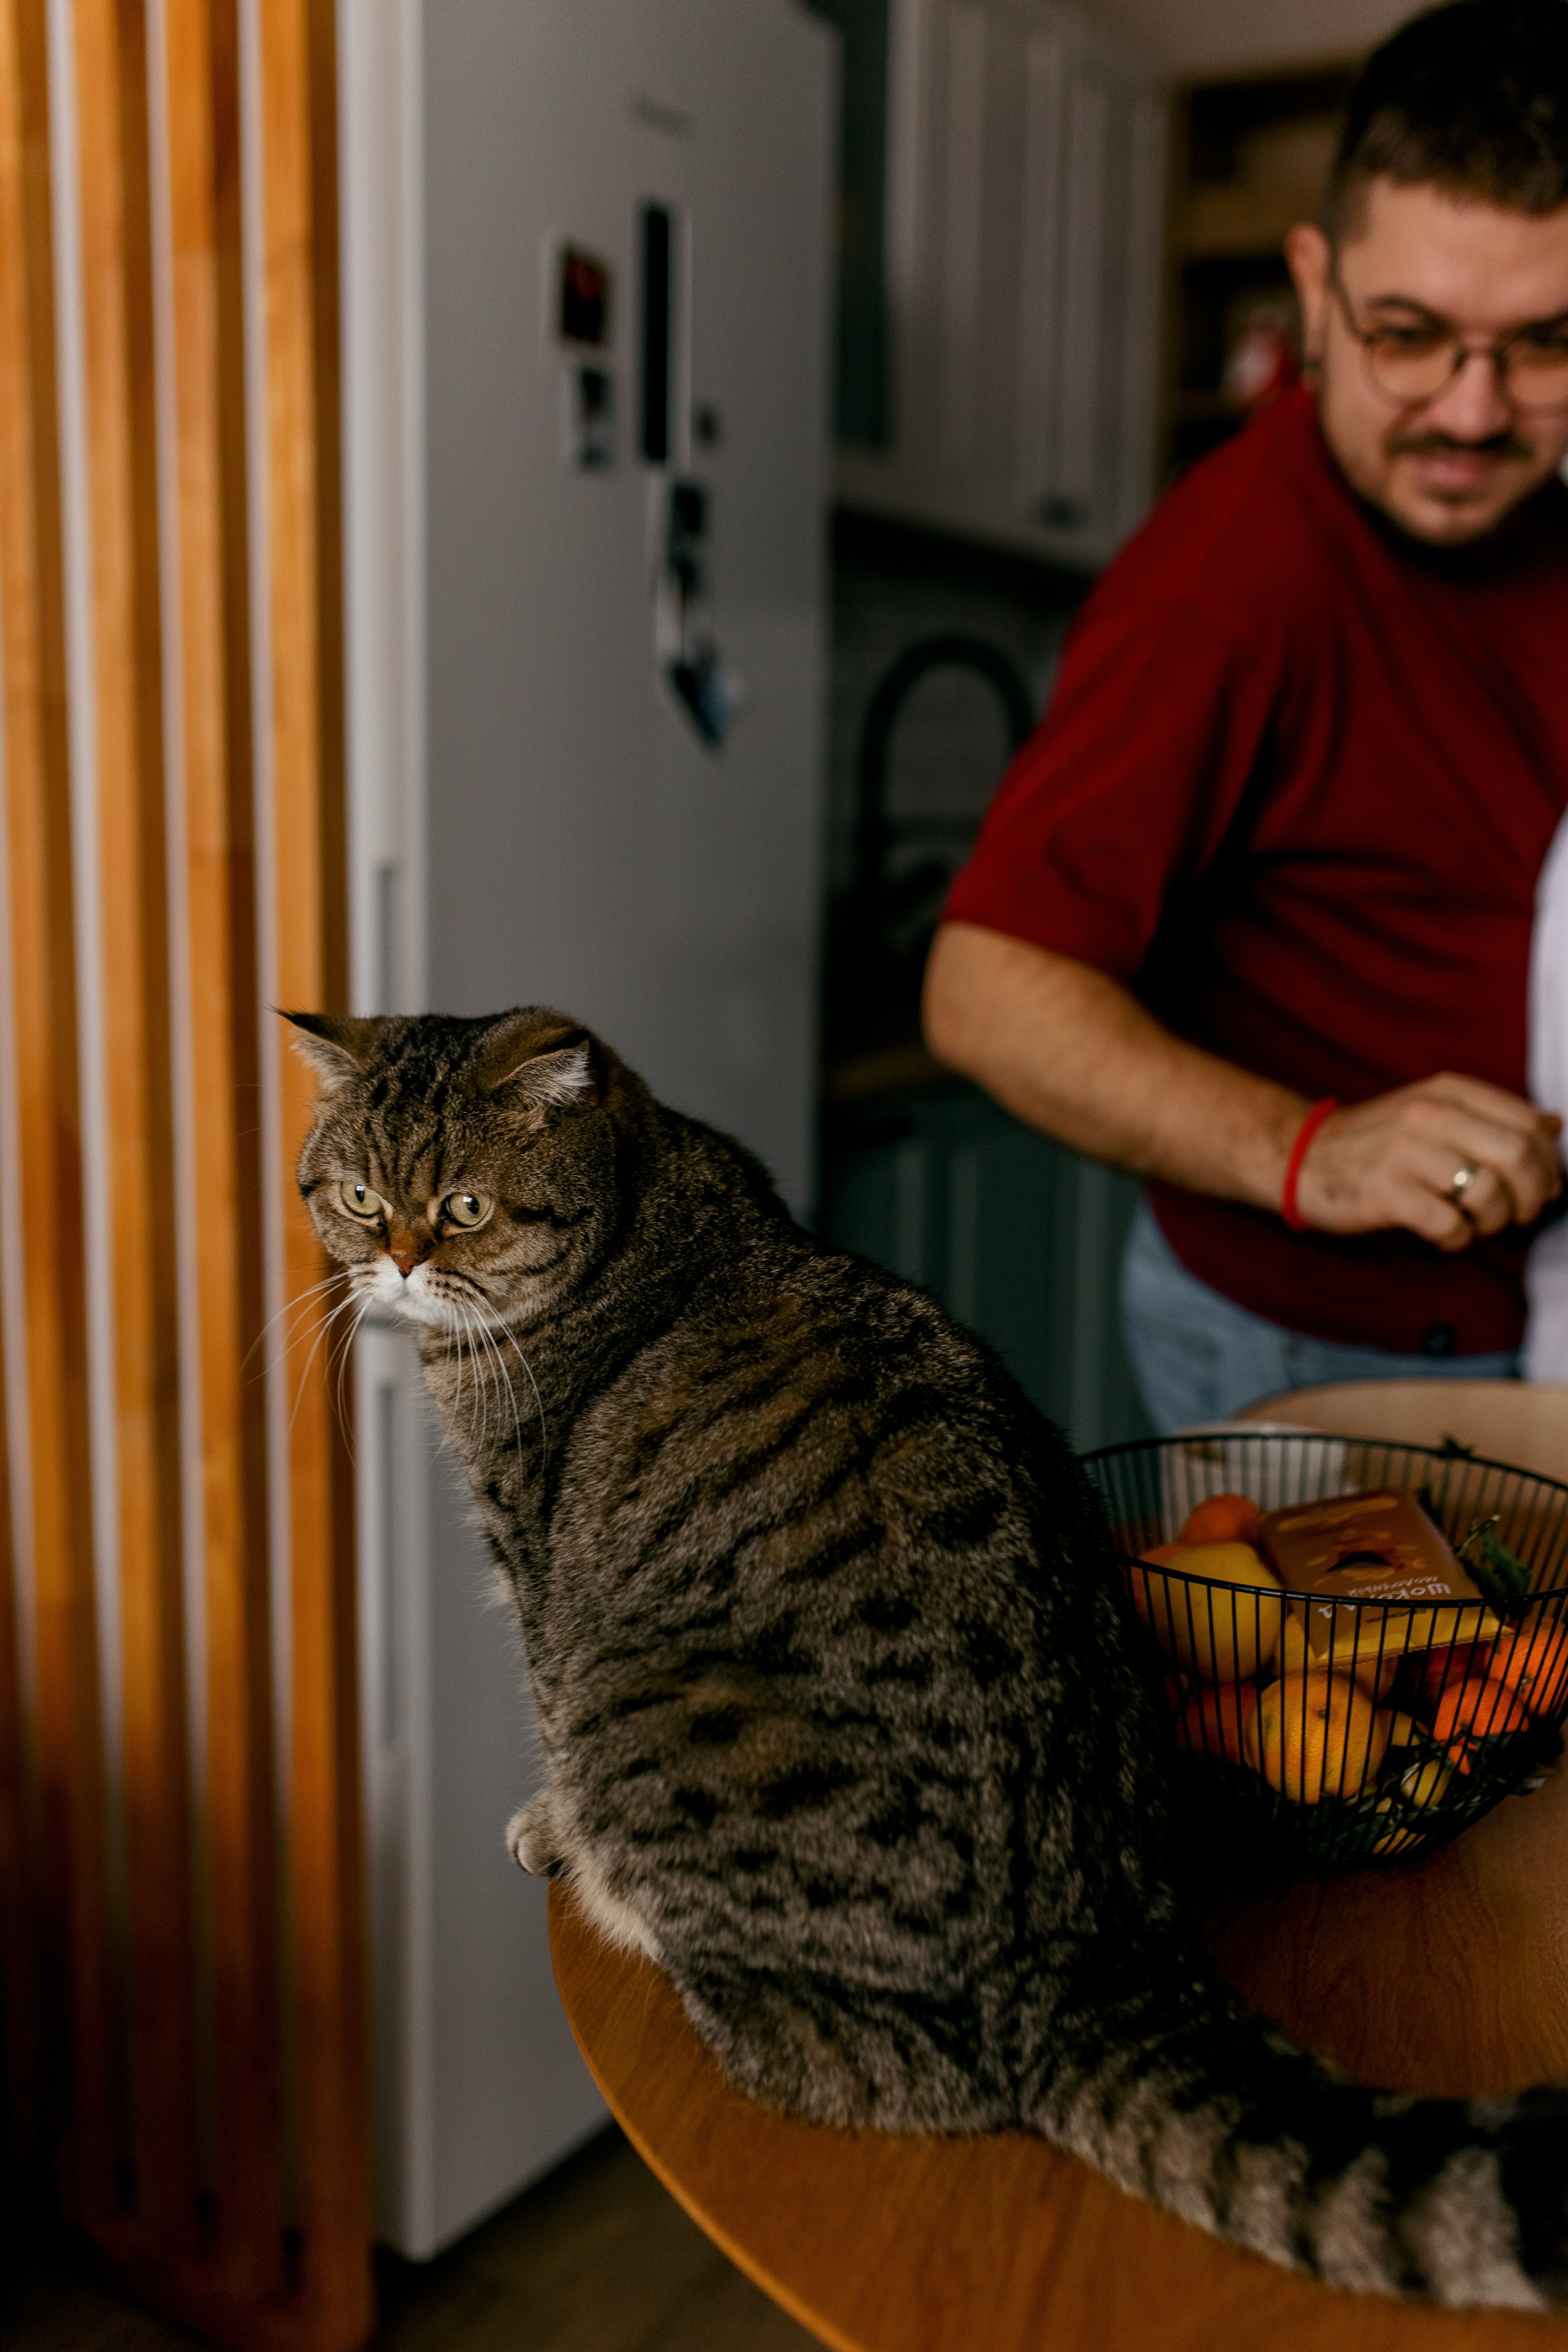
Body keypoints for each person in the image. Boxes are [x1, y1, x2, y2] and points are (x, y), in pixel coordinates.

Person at [924, 0, 1568, 1434]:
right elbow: (981, 986)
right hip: (1329, 1346)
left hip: (1523, 1308)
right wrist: (1312, 1150)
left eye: (1541, 345)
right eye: (1408, 338)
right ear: (1313, 285)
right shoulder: (1225, 587)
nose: (1471, 414)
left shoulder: (1541, 517)